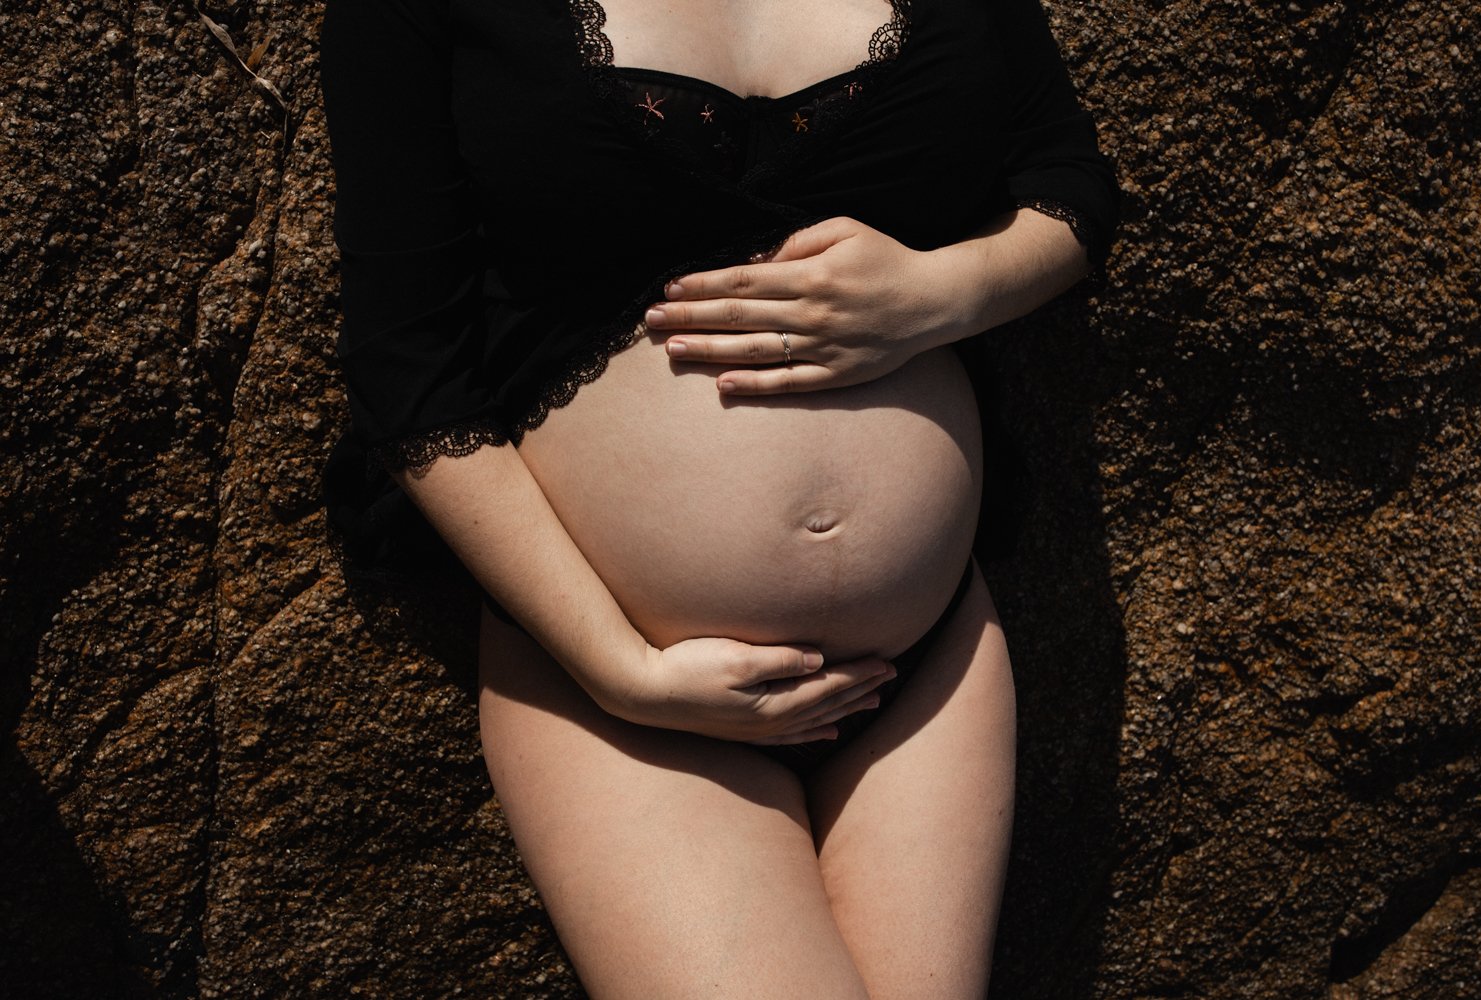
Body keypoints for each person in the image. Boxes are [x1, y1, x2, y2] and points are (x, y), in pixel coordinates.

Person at [319, 0, 1118, 996]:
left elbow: (1072, 186)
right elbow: (407, 375)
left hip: (924, 664)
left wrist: (937, 296)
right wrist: (624, 672)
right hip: (625, 681)